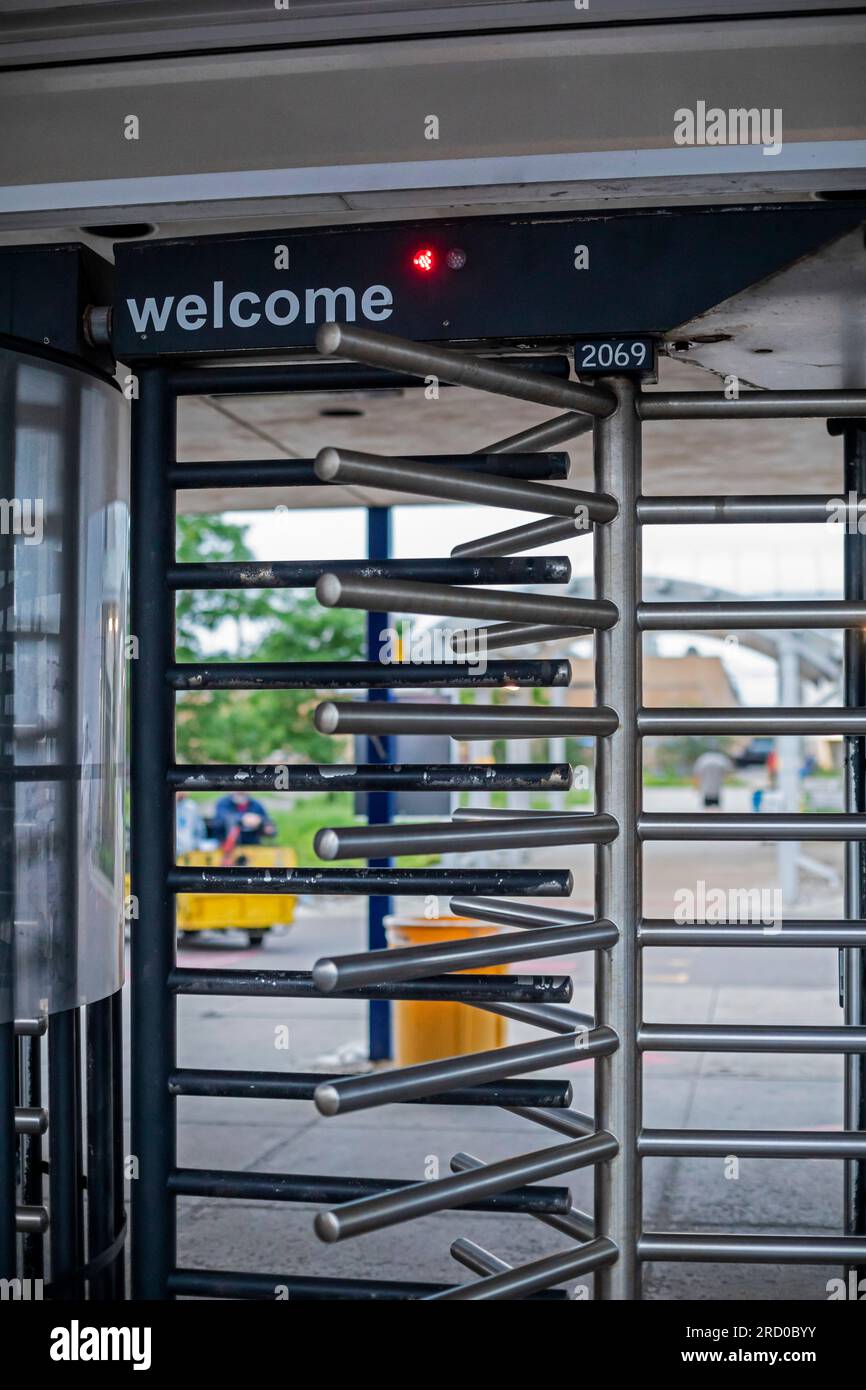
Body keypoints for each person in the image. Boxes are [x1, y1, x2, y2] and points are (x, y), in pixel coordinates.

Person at [212, 792, 277, 846]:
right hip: (227, 847)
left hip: (253, 847)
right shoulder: (223, 803)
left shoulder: (256, 805)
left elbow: (268, 824)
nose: (241, 791)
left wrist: (264, 824)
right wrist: (243, 818)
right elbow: (222, 819)